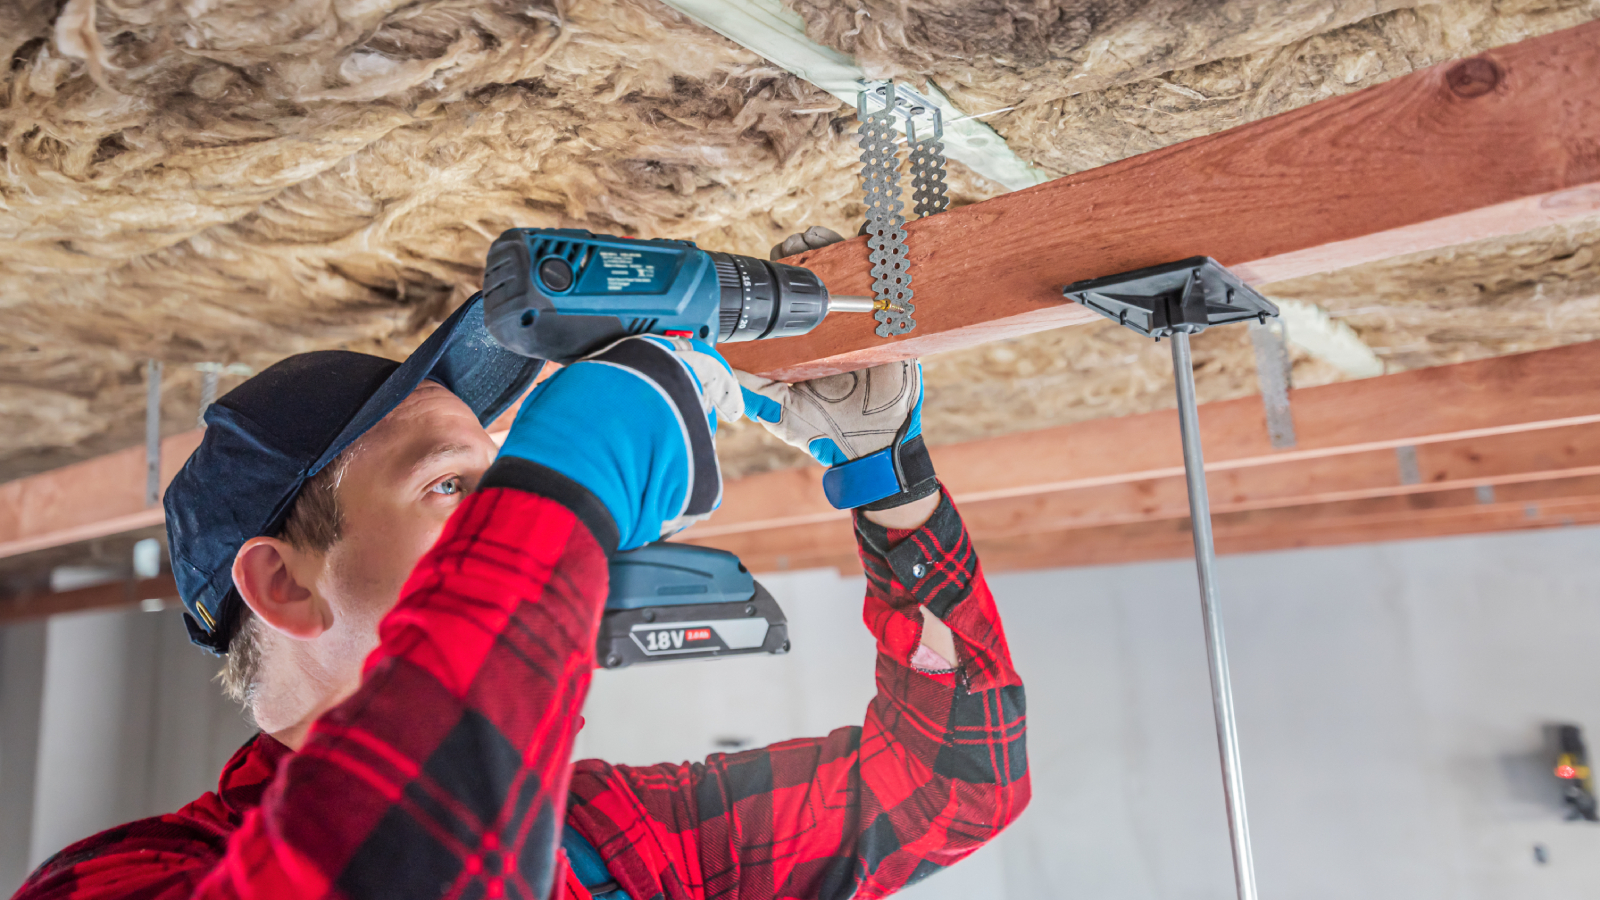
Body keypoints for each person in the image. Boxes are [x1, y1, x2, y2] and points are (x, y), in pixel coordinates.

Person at [15, 285, 1029, 899]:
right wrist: (573, 475)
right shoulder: (113, 884)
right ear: (284, 583)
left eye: (502, 474)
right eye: (454, 487)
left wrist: (887, 481)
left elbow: (949, 789)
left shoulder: (609, 839)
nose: (507, 505)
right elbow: (385, 869)